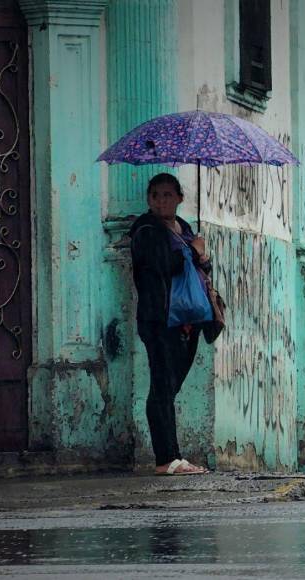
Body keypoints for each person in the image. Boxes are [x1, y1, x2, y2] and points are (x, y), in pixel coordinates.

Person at [129, 172, 211, 476]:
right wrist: (193, 251)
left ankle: (173, 456)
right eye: (155, 195)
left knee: (170, 388)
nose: (161, 201)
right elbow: (162, 265)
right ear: (149, 199)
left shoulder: (184, 229)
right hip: (159, 319)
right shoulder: (146, 230)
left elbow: (199, 268)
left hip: (186, 321)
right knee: (162, 386)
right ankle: (167, 459)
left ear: (179, 198)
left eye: (167, 195)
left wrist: (202, 256)